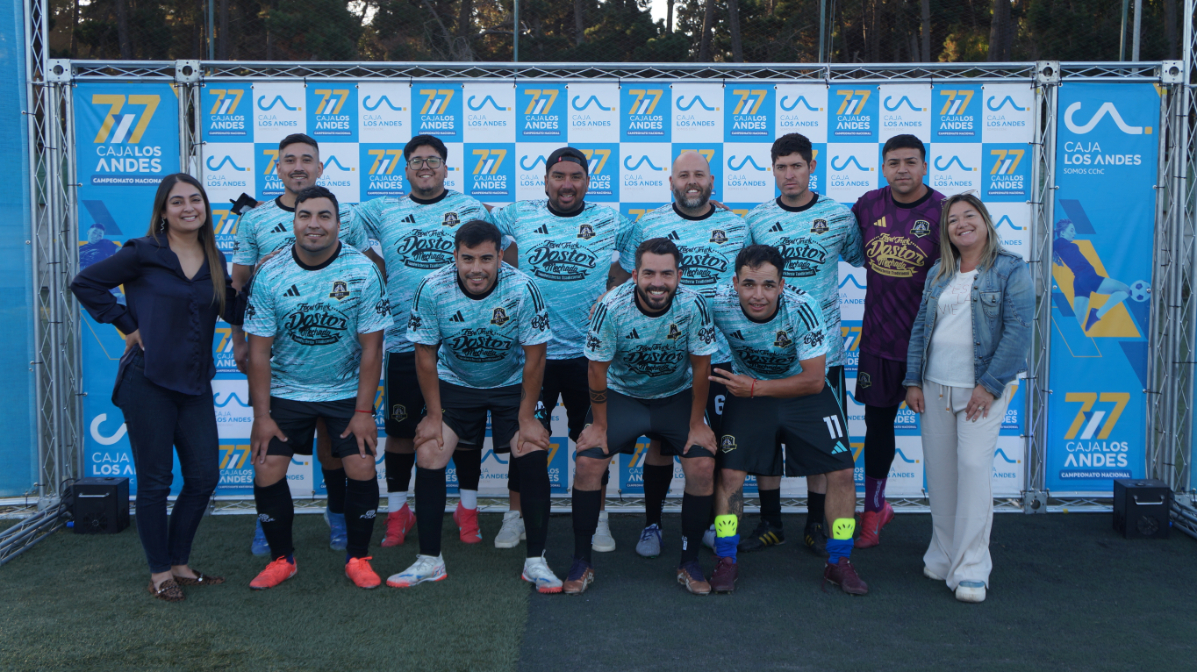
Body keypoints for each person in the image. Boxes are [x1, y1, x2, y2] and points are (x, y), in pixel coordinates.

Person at [71, 173, 242, 601]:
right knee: (155, 481)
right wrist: (127, 324)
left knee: (204, 476)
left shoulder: (215, 257)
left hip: (195, 383)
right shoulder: (142, 251)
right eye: (177, 201)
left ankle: (180, 563)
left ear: (206, 207)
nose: (189, 208)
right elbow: (85, 283)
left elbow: (233, 310)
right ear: (163, 211)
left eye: (195, 200)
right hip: (147, 381)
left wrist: (266, 270)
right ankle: (160, 572)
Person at [389, 220, 562, 592]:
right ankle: (430, 560)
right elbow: (424, 355)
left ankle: (536, 561)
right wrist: (432, 415)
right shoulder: (432, 287)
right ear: (455, 256)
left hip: (511, 384)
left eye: (486, 258)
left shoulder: (523, 287)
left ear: (500, 256)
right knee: (430, 451)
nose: (476, 268)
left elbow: (536, 357)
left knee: (531, 448)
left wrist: (527, 417)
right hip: (456, 382)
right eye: (467, 259)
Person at [229, 133, 380, 556]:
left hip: (337, 363)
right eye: (290, 159)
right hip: (283, 362)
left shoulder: (346, 217)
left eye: (307, 159)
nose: (298, 166)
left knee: (334, 446)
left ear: (319, 167)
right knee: (270, 453)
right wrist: (238, 340)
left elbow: (368, 269)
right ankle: (268, 525)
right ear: (277, 167)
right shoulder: (255, 219)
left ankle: (337, 513)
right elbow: (238, 285)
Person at [242, 186, 392, 590]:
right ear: (293, 222)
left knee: (361, 465)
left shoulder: (362, 270)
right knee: (267, 467)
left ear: (339, 224)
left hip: (344, 391)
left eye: (324, 216)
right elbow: (258, 353)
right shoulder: (270, 273)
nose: (314, 224)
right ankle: (281, 560)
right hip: (287, 390)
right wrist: (261, 417)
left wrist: (363, 412)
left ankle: (358, 558)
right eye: (305, 215)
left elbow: (372, 348)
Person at [354, 134, 495, 549]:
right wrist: (379, 269)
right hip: (403, 340)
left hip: (461, 342)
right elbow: (331, 224)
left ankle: (467, 509)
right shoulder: (382, 209)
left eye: (433, 160)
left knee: (464, 430)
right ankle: (399, 512)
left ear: (446, 167)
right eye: (416, 161)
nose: (425, 167)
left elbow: (498, 252)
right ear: (406, 169)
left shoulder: (470, 207)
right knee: (401, 431)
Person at [492, 146, 632, 554]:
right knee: (525, 439)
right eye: (558, 177)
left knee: (593, 440)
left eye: (575, 177)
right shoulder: (519, 214)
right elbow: (477, 223)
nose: (566, 184)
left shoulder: (610, 219)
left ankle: (598, 518)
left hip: (588, 356)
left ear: (587, 182)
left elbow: (645, 251)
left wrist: (614, 288)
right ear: (545, 181)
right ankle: (515, 515)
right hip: (532, 354)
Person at [610, 150, 748, 559]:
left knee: (715, 445)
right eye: (683, 175)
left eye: (699, 174)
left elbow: (751, 278)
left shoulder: (737, 226)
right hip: (663, 354)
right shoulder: (649, 224)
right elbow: (625, 275)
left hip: (719, 352)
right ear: (671, 182)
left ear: (711, 181)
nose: (692, 181)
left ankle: (708, 525)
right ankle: (652, 524)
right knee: (660, 445)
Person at [707, 245, 867, 595]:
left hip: (802, 392)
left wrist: (755, 387)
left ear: (781, 285)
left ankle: (839, 560)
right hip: (749, 392)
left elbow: (815, 379)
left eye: (768, 285)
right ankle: (726, 558)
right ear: (734, 283)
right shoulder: (717, 301)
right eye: (749, 284)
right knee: (730, 474)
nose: (758, 295)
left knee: (842, 472)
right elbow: (673, 300)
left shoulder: (802, 306)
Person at [567, 237, 719, 595]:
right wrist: (599, 426)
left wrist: (697, 424)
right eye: (649, 273)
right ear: (635, 275)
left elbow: (702, 367)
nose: (657, 283)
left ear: (679, 275)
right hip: (623, 395)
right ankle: (581, 561)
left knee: (702, 465)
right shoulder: (611, 306)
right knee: (587, 462)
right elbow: (596, 369)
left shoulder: (694, 304)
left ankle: (689, 562)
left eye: (666, 274)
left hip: (676, 396)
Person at [904, 193, 1032, 604]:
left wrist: (990, 385)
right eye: (952, 219)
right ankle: (943, 556)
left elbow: (1018, 331)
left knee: (974, 469)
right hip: (934, 387)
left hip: (981, 390)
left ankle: (973, 567)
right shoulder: (940, 272)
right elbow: (921, 329)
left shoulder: (1011, 268)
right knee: (941, 478)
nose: (961, 223)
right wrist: (913, 381)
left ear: (985, 220)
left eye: (969, 215)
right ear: (946, 231)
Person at [743, 132, 865, 557]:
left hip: (823, 353)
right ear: (773, 169)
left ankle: (815, 524)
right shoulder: (757, 218)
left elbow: (864, 258)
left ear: (812, 166)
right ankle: (771, 523)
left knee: (823, 450)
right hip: (768, 353)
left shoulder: (839, 216)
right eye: (781, 167)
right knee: (764, 445)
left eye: (797, 165)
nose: (789, 174)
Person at [851, 134, 945, 548]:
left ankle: (950, 518)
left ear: (925, 165)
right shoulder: (868, 205)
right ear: (883, 168)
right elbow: (824, 230)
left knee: (942, 432)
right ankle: (874, 510)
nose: (902, 169)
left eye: (910, 161)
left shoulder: (945, 211)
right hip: (879, 340)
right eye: (893, 162)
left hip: (934, 343)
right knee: (878, 428)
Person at [1052, 219, 1131, 333]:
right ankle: (1097, 314)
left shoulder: (1058, 244)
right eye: (1072, 230)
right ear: (1062, 233)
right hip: (1088, 276)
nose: (1074, 233)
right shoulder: (1059, 242)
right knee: (1126, 290)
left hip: (1079, 281)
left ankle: (1069, 334)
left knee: (1078, 321)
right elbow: (1050, 245)